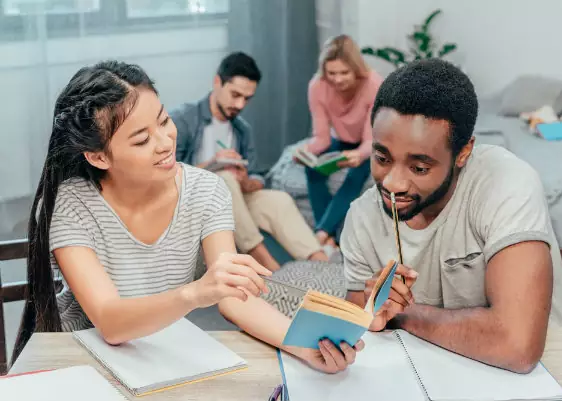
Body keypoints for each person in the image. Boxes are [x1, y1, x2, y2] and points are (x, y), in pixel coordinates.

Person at [11, 60, 363, 374]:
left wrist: (302, 347)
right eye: (141, 140)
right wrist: (195, 293)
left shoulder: (205, 191)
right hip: (80, 361)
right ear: (99, 157)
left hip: (157, 358)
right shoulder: (72, 204)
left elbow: (233, 298)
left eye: (164, 121)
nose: (165, 142)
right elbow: (111, 322)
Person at [341, 58, 562, 374]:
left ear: (464, 152)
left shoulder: (506, 183)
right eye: (382, 157)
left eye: (419, 167)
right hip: (431, 374)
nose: (393, 184)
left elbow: (518, 347)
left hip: (549, 378)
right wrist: (372, 312)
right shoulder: (361, 216)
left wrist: (404, 314)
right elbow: (358, 322)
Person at [172, 52, 327, 272]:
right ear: (217, 82)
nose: (240, 104)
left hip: (235, 199)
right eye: (235, 94)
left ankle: (323, 265)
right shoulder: (184, 119)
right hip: (193, 201)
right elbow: (166, 173)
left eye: (246, 98)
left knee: (279, 200)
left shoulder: (242, 129)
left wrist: (248, 181)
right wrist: (212, 163)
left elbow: (255, 173)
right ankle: (267, 265)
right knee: (224, 178)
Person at [299, 34, 383, 247]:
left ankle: (323, 233)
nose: (337, 80)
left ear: (356, 69)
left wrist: (359, 155)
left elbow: (369, 140)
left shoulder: (373, 83)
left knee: (356, 175)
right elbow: (322, 138)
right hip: (342, 141)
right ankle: (330, 238)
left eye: (344, 73)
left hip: (369, 144)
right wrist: (305, 152)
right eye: (332, 73)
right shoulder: (317, 86)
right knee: (312, 169)